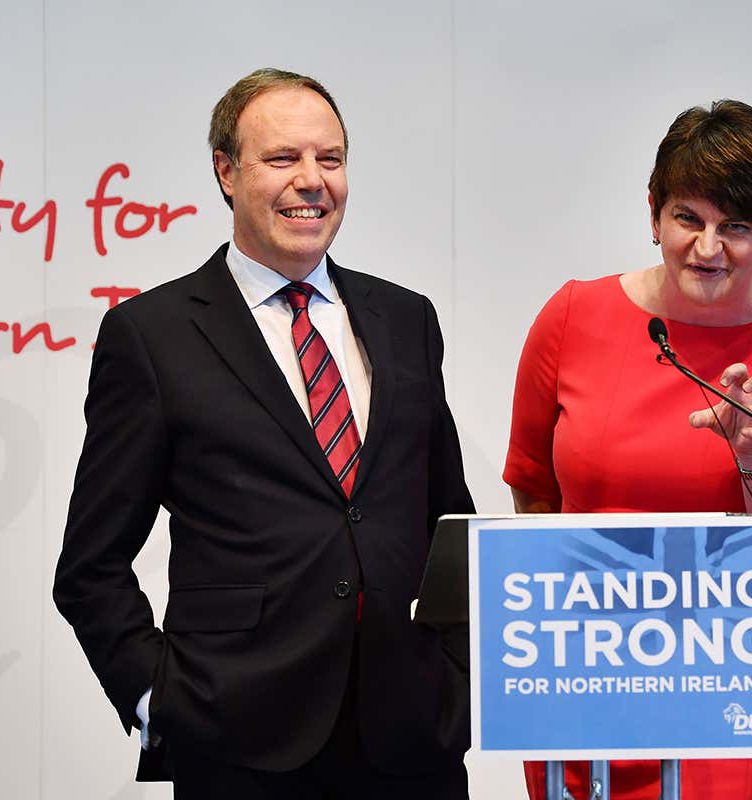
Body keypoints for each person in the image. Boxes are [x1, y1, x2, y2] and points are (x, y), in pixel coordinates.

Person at [53, 68, 475, 799]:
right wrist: (157, 698)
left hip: (412, 737)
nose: (312, 180)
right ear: (226, 171)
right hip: (237, 740)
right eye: (283, 159)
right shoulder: (151, 336)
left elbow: (449, 520)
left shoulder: (408, 318)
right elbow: (90, 566)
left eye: (330, 159)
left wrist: (459, 680)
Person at [504, 100, 752, 800]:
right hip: (583, 670)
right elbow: (532, 488)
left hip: (730, 679)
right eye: (687, 219)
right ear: (653, 214)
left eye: (736, 227)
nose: (707, 248)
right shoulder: (574, 315)